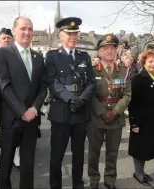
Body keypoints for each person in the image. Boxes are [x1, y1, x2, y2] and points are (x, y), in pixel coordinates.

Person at [0, 16, 47, 189]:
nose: (27, 32)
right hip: (11, 118)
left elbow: (43, 86)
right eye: (23, 28)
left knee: (28, 163)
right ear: (14, 30)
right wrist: (22, 110)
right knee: (6, 162)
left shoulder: (38, 57)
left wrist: (34, 108)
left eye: (30, 29)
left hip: (31, 119)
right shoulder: (3, 53)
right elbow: (3, 85)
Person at [46, 17, 96, 189]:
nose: (73, 37)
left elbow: (91, 82)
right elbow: (52, 81)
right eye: (69, 33)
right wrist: (69, 98)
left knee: (79, 155)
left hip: (80, 112)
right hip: (61, 111)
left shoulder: (84, 57)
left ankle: (78, 184)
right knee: (56, 156)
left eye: (75, 33)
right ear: (61, 35)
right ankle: (55, 185)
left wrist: (82, 99)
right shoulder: (52, 56)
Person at [87, 34, 131, 189]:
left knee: (112, 153)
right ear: (99, 52)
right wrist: (101, 111)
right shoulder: (92, 71)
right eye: (105, 48)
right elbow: (89, 94)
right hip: (96, 118)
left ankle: (110, 180)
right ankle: (93, 180)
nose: (109, 51)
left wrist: (115, 111)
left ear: (116, 51)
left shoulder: (123, 71)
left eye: (112, 48)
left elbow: (127, 95)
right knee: (94, 153)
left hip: (116, 118)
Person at [128, 49, 154, 187]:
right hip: (141, 120)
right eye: (150, 61)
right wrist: (134, 123)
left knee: (147, 148)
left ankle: (142, 172)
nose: (153, 64)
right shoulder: (137, 79)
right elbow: (133, 103)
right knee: (139, 148)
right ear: (144, 62)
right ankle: (138, 174)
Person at [0, 27, 15, 172]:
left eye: (8, 38)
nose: (6, 40)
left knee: (17, 130)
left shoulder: (17, 56)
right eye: (3, 38)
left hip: (14, 101)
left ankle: (16, 156)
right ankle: (1, 158)